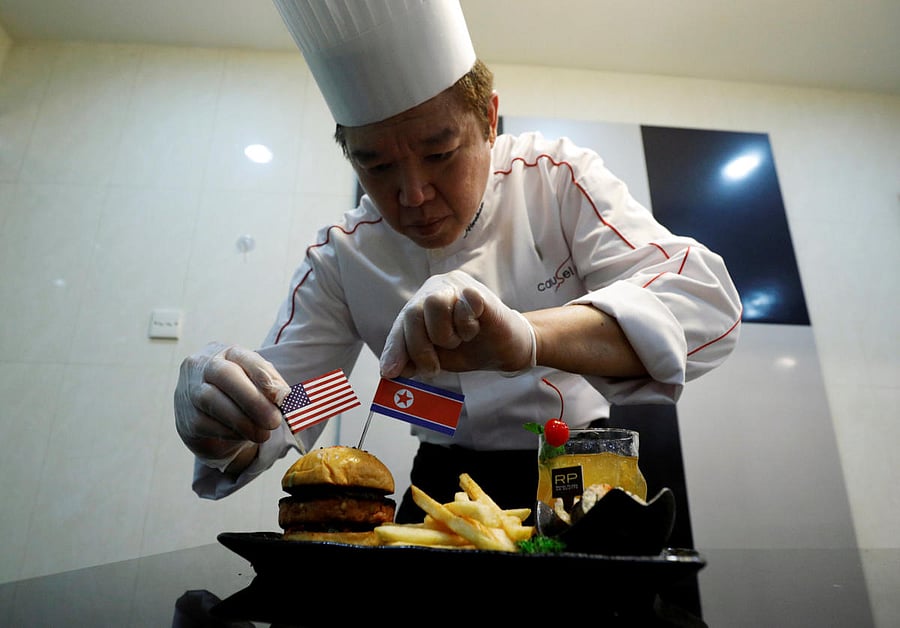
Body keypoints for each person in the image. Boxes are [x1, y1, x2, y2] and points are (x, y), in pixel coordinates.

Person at [174, 0, 742, 522]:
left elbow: (703, 304)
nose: (413, 195)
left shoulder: (554, 180)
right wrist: (228, 419)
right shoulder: (345, 258)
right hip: (440, 482)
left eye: (439, 153)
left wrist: (526, 338)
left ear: (490, 119)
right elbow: (302, 404)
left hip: (578, 464)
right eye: (377, 167)